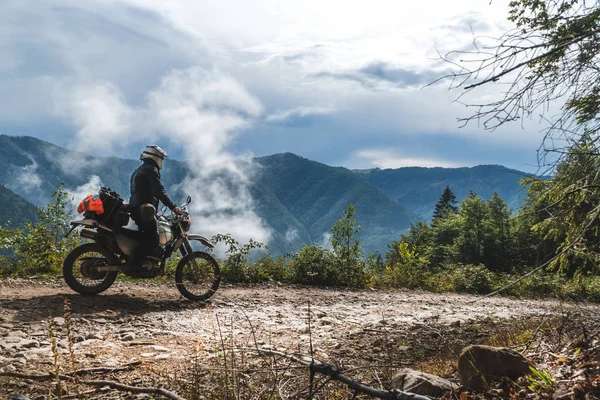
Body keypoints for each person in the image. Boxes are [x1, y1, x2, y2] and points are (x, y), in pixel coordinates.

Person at [128, 145, 182, 269]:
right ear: (155, 157)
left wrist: (154, 213)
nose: (162, 161)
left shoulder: (140, 169)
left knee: (147, 234)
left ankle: (143, 260)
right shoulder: (151, 170)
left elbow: (143, 193)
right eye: (161, 158)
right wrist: (173, 207)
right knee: (153, 238)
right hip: (142, 209)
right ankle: (134, 263)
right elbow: (159, 191)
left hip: (138, 208)